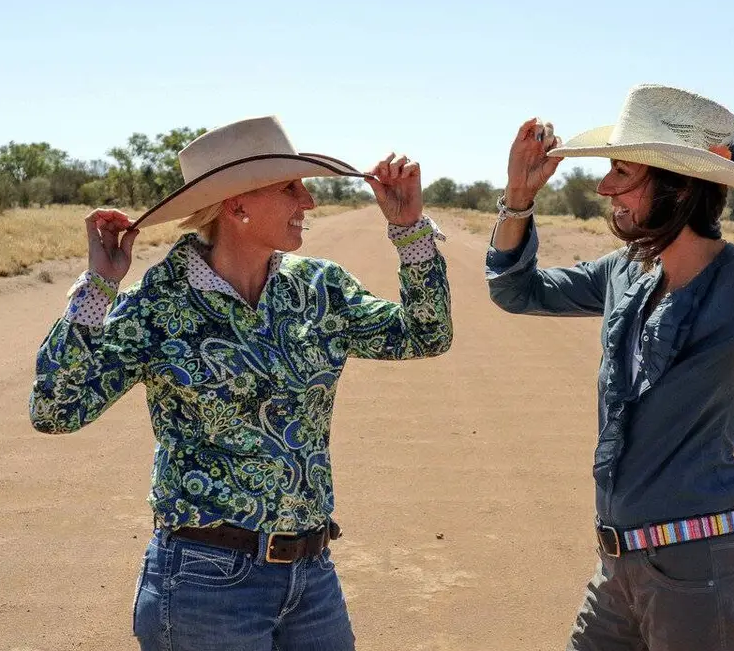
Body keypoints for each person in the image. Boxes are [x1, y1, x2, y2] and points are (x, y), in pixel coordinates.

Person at [29, 115, 453, 651]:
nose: (309, 202)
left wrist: (409, 229)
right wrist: (99, 287)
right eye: (290, 188)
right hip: (205, 584)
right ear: (237, 206)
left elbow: (426, 333)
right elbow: (54, 409)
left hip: (312, 577)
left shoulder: (320, 289)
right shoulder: (159, 304)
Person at [484, 84, 734, 651]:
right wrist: (518, 198)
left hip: (704, 580)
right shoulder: (623, 272)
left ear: (682, 184)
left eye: (624, 172)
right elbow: (515, 291)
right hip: (617, 575)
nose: (604, 187)